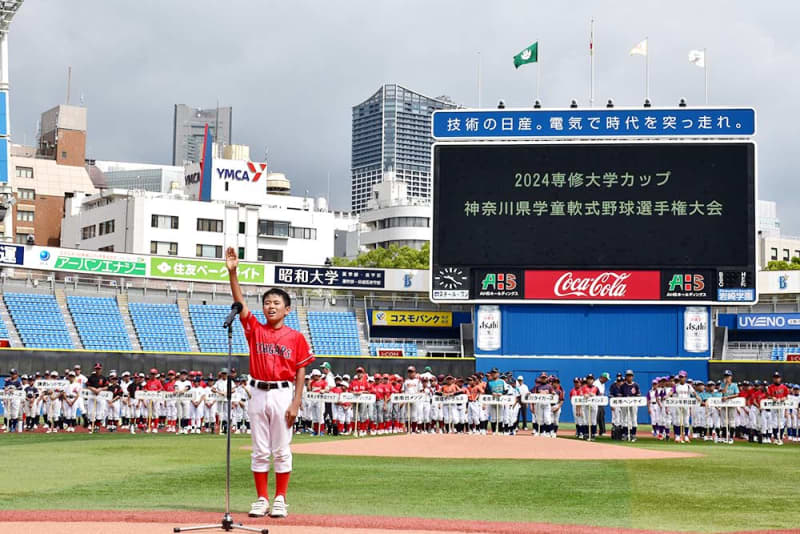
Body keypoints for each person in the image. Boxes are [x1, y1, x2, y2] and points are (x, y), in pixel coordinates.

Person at [227, 247, 314, 520]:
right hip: (257, 390)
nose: (271, 306)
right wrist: (233, 273)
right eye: (267, 302)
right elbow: (239, 303)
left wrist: (296, 403)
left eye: (277, 302)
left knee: (281, 449)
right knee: (260, 448)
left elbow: (301, 370)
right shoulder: (255, 329)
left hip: (282, 393)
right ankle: (262, 498)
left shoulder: (295, 337)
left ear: (287, 309)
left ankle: (280, 499)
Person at [767, 371, 790, 445]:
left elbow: (787, 397)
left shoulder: (784, 387)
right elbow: (768, 396)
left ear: (780, 378)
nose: (776, 379)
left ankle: (780, 438)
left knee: (781, 422)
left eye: (778, 378)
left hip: (782, 406)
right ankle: (776, 438)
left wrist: (784, 398)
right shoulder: (770, 387)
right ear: (773, 379)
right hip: (773, 406)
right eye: (775, 378)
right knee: (774, 422)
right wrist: (771, 397)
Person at [620, 370, 641, 442]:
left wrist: (633, 398)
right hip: (625, 404)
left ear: (633, 376)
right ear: (626, 376)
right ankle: (625, 434)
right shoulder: (623, 385)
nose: (629, 377)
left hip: (634, 403)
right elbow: (620, 395)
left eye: (630, 376)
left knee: (634, 418)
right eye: (628, 375)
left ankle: (633, 434)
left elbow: (638, 395)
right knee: (624, 418)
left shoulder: (636, 385)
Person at [720, 370, 739, 444]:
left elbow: (737, 394)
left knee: (732, 421)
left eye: (728, 376)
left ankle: (731, 437)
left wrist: (728, 397)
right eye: (725, 376)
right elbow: (723, 392)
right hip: (724, 404)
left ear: (731, 377)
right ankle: (725, 437)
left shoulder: (734, 385)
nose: (726, 378)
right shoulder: (722, 384)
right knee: (724, 421)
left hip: (732, 404)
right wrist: (726, 385)